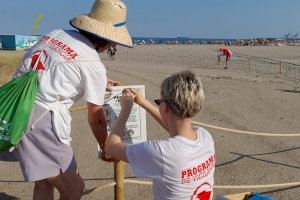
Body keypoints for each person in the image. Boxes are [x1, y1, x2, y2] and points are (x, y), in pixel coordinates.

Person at [0, 0, 132, 199]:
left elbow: (49, 69)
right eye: (114, 41)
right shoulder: (92, 63)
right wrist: (107, 148)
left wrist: (98, 82)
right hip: (41, 121)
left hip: (16, 107)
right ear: (105, 37)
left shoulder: (56, 34)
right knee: (73, 187)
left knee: (44, 182)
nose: (114, 44)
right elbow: (95, 117)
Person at [106, 70, 216, 200]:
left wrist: (126, 109)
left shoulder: (161, 152)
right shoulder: (205, 136)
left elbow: (111, 146)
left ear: (165, 107)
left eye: (160, 102)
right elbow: (174, 127)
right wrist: (143, 102)